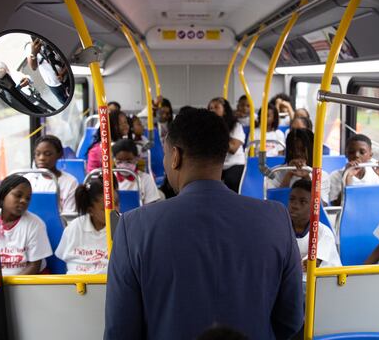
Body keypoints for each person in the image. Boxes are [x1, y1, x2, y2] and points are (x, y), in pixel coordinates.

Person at [104, 108, 303, 339]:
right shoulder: (276, 219)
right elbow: (291, 321)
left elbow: (120, 330)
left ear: (176, 156)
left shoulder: (134, 228)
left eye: (167, 156)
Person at [55, 179, 120, 274]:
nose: (115, 210)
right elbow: (64, 259)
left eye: (117, 204)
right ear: (90, 210)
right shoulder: (74, 228)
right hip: (75, 284)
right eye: (106, 208)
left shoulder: (123, 227)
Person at [267, 129, 331, 204]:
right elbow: (274, 204)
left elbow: (321, 206)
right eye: (293, 150)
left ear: (311, 151)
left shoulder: (321, 175)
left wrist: (306, 178)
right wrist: (289, 175)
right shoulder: (276, 172)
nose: (297, 154)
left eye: (302, 150)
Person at [288, 180, 340, 267]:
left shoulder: (323, 232)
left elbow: (310, 265)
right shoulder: (282, 229)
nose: (294, 205)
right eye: (292, 199)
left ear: (313, 206)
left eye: (303, 202)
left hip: (327, 279)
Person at [328, 134, 379, 206]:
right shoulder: (335, 176)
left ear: (370, 155)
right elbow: (336, 206)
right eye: (351, 152)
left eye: (362, 152)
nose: (356, 155)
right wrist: (347, 178)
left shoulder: (375, 174)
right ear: (346, 154)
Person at [25, 135, 78, 215]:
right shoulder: (28, 179)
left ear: (59, 154)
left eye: (48, 154)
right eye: (38, 154)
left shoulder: (70, 182)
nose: (41, 158)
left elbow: (69, 215)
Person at [208, 97, 246, 192]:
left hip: (235, 164)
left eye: (216, 107)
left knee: (231, 180)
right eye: (210, 108)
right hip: (216, 165)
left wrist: (216, 134)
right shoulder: (206, 128)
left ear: (224, 111)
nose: (212, 110)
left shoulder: (236, 126)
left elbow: (233, 148)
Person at [112, 139, 161, 204]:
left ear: (136, 159)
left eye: (129, 161)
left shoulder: (146, 179)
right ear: (114, 160)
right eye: (119, 161)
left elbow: (151, 206)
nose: (124, 165)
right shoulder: (110, 179)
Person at [27, 37, 70, 104]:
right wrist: (34, 53)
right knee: (63, 101)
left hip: (67, 77)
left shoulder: (52, 39)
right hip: (52, 84)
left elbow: (69, 59)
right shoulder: (30, 47)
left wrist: (62, 73)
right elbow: (33, 67)